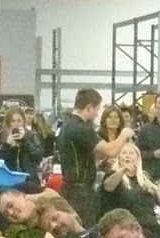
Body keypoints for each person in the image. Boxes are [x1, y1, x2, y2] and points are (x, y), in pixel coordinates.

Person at [56, 88, 134, 227]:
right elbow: (111, 151)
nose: (97, 114)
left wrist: (98, 166)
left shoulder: (66, 125)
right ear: (89, 107)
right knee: (86, 231)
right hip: (81, 194)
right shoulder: (82, 128)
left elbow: (78, 157)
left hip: (69, 189)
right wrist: (124, 134)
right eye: (97, 109)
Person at [99, 143, 160, 224]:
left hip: (151, 223)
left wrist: (154, 187)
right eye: (124, 153)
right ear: (119, 158)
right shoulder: (113, 174)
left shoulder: (144, 177)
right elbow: (108, 187)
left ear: (137, 159)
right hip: (126, 225)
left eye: (131, 153)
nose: (127, 155)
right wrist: (124, 169)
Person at [0, 106, 43, 180]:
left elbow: (38, 156)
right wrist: (6, 144)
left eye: (19, 121)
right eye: (13, 121)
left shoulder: (31, 135)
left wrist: (24, 141)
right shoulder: (0, 137)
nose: (16, 124)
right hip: (7, 178)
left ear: (23, 122)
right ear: (8, 123)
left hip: (28, 178)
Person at [136, 92, 160, 181]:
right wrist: (153, 154)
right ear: (156, 107)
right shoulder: (145, 129)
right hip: (152, 177)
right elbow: (137, 153)